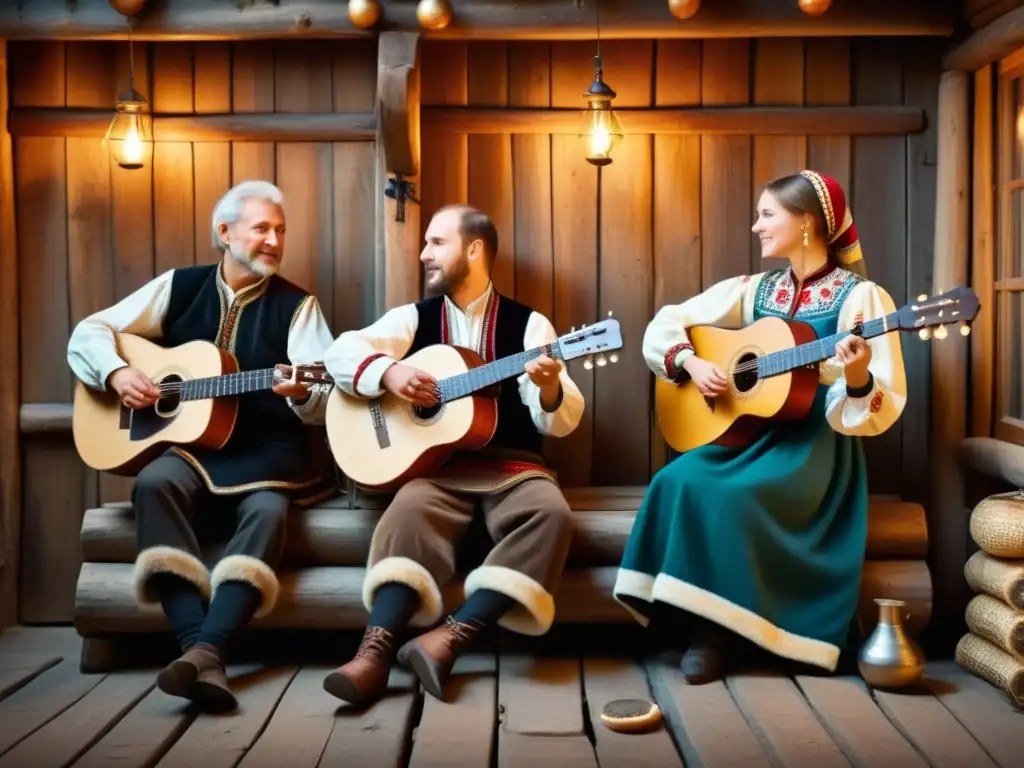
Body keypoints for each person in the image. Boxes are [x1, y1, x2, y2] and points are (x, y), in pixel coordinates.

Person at [613, 170, 907, 684]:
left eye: (767, 214)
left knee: (733, 497)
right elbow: (667, 320)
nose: (756, 226)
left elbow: (883, 397)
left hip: (814, 447)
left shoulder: (862, 299)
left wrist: (857, 375)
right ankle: (684, 620)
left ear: (808, 223)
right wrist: (689, 362)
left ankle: (717, 637)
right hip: (747, 435)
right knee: (675, 478)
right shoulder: (754, 290)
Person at [66, 180, 336, 711]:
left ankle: (204, 649)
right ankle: (200, 648)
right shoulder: (179, 286)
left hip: (269, 453)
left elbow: (325, 397)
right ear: (225, 232)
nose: (274, 241)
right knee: (154, 482)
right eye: (261, 228)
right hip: (194, 449)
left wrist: (304, 392)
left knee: (267, 510)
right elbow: (88, 331)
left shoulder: (298, 306)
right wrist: (118, 372)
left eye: (280, 231)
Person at [320, 204, 584, 704]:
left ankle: (449, 638)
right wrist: (388, 374)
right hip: (436, 468)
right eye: (426, 244)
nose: (424, 255)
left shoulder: (530, 327)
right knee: (408, 512)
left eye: (436, 243)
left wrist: (548, 387)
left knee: (551, 515)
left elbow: (560, 420)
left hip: (512, 466)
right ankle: (373, 653)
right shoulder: (410, 319)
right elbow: (341, 351)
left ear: (474, 249)